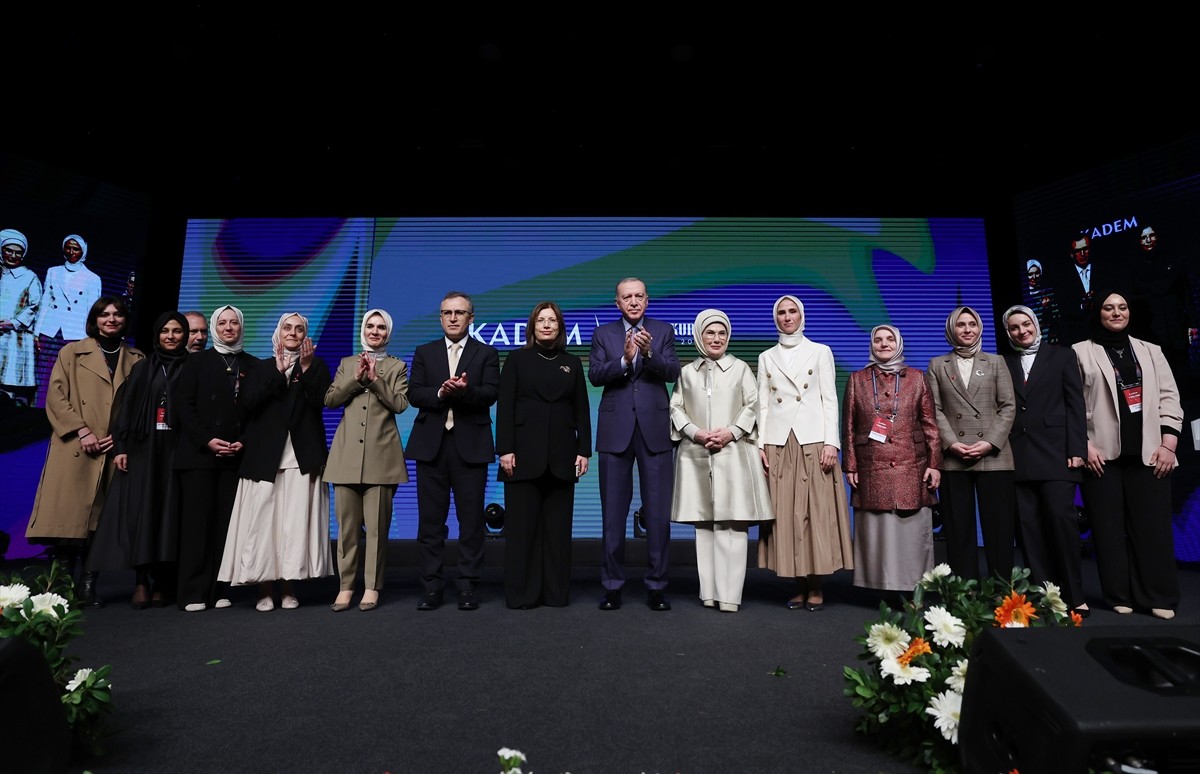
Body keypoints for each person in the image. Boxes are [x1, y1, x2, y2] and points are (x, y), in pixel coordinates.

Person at [25, 296, 144, 606]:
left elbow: (138, 408)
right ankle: (63, 583)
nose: (111, 319)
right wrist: (82, 430)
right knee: (69, 519)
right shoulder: (71, 352)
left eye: (118, 314)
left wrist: (118, 439)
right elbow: (55, 396)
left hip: (112, 449)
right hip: (76, 446)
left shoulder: (137, 358)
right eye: (104, 314)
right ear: (95, 319)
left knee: (101, 521)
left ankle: (89, 582)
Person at [1073, 290, 1183, 619]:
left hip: (1150, 454)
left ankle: (1158, 596)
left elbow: (1169, 397)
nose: (1117, 312)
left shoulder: (1151, 352)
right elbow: (1072, 405)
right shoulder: (1080, 352)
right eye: (1109, 307)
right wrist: (1084, 445)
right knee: (1108, 530)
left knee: (1153, 529)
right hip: (1101, 457)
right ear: (1099, 313)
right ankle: (1119, 594)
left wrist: (1169, 445)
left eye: (1122, 307)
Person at [218, 312, 334, 610]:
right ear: (278, 332)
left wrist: (305, 369)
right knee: (263, 525)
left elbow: (320, 402)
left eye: (299, 329)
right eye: (287, 328)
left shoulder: (317, 366)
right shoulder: (261, 367)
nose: (293, 333)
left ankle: (288, 587)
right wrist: (277, 374)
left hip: (301, 458)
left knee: (292, 527)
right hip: (263, 459)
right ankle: (264, 589)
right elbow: (246, 405)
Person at [669, 308, 772, 612]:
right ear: (699, 336)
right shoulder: (686, 372)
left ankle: (730, 596)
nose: (717, 338)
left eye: (722, 333)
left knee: (734, 525)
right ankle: (709, 593)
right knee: (704, 526)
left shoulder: (741, 368)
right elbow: (675, 408)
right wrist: (695, 432)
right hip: (697, 454)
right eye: (710, 333)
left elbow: (753, 405)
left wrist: (731, 431)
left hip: (735, 453)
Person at [589, 277, 681, 611]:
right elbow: (596, 375)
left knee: (657, 516)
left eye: (639, 296)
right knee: (613, 515)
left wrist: (649, 352)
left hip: (654, 430)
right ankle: (613, 586)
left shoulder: (663, 329)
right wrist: (626, 361)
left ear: (647, 300)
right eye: (626, 297)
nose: (633, 302)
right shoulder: (603, 334)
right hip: (615, 431)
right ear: (617, 303)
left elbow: (672, 371)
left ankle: (656, 586)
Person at [86, 311, 190, 608]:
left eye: (177, 331)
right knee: (142, 516)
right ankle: (141, 581)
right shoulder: (142, 369)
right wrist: (121, 448)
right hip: (144, 452)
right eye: (165, 331)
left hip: (177, 451)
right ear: (157, 335)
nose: (170, 336)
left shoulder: (194, 367)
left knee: (169, 517)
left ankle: (163, 582)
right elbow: (126, 413)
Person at [756, 294, 852, 610]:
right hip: (779, 442)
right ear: (776, 318)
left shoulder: (820, 351)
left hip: (813, 440)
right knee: (785, 516)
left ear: (801, 315)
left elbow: (829, 399)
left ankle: (817, 585)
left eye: (792, 311)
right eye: (781, 312)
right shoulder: (766, 357)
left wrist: (832, 442)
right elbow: (763, 404)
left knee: (817, 514)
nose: (787, 317)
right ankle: (798, 584)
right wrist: (760, 445)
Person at [405, 291, 500, 612]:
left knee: (471, 522)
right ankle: (432, 587)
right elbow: (414, 393)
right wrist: (441, 392)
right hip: (431, 448)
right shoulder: (424, 352)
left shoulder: (486, 353)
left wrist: (465, 391)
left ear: (471, 318)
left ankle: (467, 586)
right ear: (441, 317)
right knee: (430, 523)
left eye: (460, 313)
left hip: (470, 448)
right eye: (447, 312)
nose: (453, 318)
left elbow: (490, 393)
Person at [496, 301, 592, 609]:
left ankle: (555, 595)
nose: (547, 325)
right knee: (522, 530)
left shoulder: (572, 363)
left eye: (552, 320)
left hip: (562, 456)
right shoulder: (516, 359)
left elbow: (581, 410)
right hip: (521, 455)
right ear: (533, 326)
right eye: (541, 320)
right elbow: (505, 407)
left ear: (560, 326)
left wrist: (584, 450)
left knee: (557, 531)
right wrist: (505, 449)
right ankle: (522, 595)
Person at [1001, 305, 1089, 616]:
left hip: (1056, 454)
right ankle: (1042, 596)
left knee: (1062, 525)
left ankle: (1075, 594)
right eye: (1014, 327)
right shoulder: (1003, 361)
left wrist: (1077, 448)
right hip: (1017, 455)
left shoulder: (1062, 355)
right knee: (1029, 529)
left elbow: (1075, 404)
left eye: (1026, 324)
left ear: (1036, 325)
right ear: (1008, 331)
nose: (1021, 330)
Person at [842, 324, 941, 596]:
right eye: (878, 340)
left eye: (889, 339)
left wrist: (934, 463)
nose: (883, 344)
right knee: (879, 532)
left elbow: (930, 424)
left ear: (898, 343)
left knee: (910, 529)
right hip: (871, 463)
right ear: (871, 345)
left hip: (912, 463)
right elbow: (848, 426)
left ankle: (915, 586)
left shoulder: (917, 378)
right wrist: (850, 464)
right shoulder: (857, 379)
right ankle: (882, 585)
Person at [324, 309, 410, 612]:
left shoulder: (398, 366)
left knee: (376, 529)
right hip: (346, 456)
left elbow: (400, 404)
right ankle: (346, 586)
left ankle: (372, 587)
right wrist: (355, 380)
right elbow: (331, 399)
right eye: (371, 326)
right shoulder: (347, 363)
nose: (375, 332)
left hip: (382, 457)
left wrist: (375, 380)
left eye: (381, 327)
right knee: (347, 529)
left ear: (388, 332)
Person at [926, 306, 1017, 582]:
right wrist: (952, 444)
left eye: (972, 324)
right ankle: (962, 591)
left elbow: (1008, 406)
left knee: (999, 529)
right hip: (955, 457)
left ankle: (1001, 591)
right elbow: (934, 410)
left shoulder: (996, 361)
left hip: (994, 455)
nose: (967, 329)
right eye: (961, 324)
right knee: (958, 529)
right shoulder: (937, 365)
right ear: (951, 330)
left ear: (980, 328)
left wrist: (989, 442)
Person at [173, 305, 246, 612]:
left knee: (225, 526)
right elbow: (183, 407)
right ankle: (192, 591)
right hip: (199, 454)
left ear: (241, 327)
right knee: (196, 526)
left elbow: (258, 413)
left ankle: (219, 589)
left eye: (234, 323)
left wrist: (244, 440)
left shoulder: (253, 364)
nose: (228, 328)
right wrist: (207, 440)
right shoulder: (196, 361)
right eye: (223, 323)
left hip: (235, 455)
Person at [34, 234, 102, 407]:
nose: (71, 252)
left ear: (83, 250)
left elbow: (92, 312)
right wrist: (37, 333)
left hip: (74, 333)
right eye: (68, 247)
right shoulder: (53, 271)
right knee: (45, 374)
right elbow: (45, 303)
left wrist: (92, 338)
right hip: (51, 331)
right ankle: (41, 406)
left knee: (68, 375)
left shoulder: (92, 278)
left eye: (76, 248)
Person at [0, 228, 41, 405]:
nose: (13, 255)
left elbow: (35, 305)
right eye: (9, 250)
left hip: (14, 336)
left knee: (10, 378)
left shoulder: (29, 276)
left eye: (18, 252)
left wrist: (13, 323)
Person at [1057, 234, 1099, 345]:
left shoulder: (1103, 270)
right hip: (1078, 336)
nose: (1082, 254)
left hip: (1102, 331)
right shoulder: (1063, 279)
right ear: (1072, 254)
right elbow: (1064, 308)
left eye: (1085, 249)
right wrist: (1082, 306)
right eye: (1078, 251)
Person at [1021, 258, 1060, 345]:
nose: (1034, 277)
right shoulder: (1025, 297)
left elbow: (1057, 315)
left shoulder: (1049, 293)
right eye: (1030, 274)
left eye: (1036, 273)